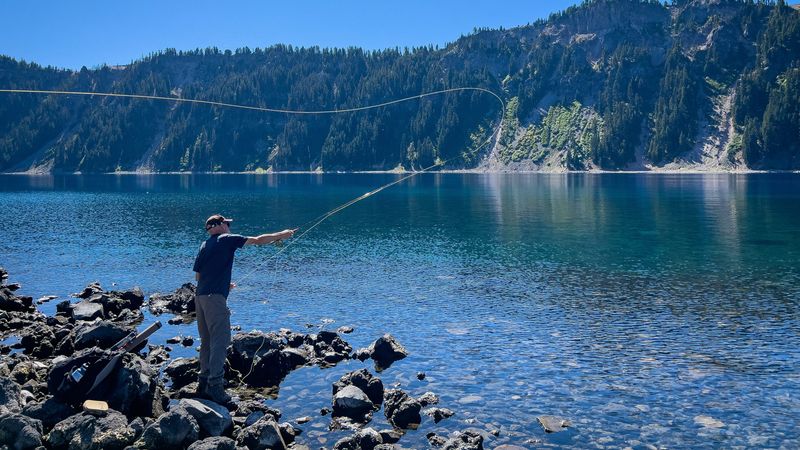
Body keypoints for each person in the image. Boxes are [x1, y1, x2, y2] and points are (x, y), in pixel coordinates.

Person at [192, 214, 295, 404]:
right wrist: (282, 234)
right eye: (227, 224)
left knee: (206, 341)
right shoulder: (226, 239)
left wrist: (223, 283)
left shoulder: (204, 245)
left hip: (200, 298)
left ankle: (203, 384)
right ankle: (215, 387)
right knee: (220, 341)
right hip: (214, 299)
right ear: (220, 225)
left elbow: (199, 276)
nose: (229, 227)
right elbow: (257, 240)